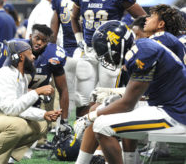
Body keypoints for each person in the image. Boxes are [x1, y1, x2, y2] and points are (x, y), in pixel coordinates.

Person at [74, 20, 186, 164]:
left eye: (106, 53)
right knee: (105, 107)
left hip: (175, 114)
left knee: (101, 125)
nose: (106, 58)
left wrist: (89, 117)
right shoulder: (140, 48)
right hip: (166, 106)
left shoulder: (143, 53)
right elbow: (136, 96)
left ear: (117, 45)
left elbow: (127, 104)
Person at [0, 40, 62, 164]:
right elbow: (11, 110)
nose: (33, 57)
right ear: (21, 56)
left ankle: (8, 159)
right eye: (30, 53)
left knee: (42, 124)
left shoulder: (20, 77)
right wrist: (36, 92)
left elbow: (20, 109)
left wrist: (43, 115)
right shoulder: (5, 75)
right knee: (18, 125)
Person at [70, 0, 146, 116]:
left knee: (107, 96)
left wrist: (129, 37)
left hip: (112, 53)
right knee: (82, 97)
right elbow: (73, 17)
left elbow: (143, 18)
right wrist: (78, 37)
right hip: (89, 50)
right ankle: (83, 133)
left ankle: (107, 132)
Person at [22, 24, 70, 149]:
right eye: (37, 38)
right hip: (14, 99)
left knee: (50, 92)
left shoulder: (52, 55)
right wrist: (33, 91)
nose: (39, 43)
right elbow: (7, 85)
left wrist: (64, 121)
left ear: (48, 42)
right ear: (30, 36)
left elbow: (63, 90)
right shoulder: (19, 49)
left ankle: (40, 139)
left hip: (36, 102)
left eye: (43, 40)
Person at [50, 0, 88, 118]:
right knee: (86, 95)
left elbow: (53, 33)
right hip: (86, 52)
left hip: (67, 53)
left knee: (66, 93)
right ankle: (82, 127)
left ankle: (63, 127)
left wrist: (52, 52)